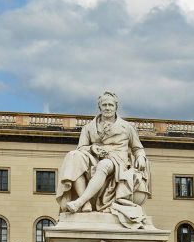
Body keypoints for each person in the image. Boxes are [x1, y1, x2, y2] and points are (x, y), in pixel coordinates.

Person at [56, 92, 150, 229]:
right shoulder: (88, 127)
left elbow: (138, 148)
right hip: (94, 157)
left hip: (117, 160)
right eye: (104, 105)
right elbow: (81, 147)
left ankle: (80, 201)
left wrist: (141, 157)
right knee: (73, 156)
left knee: (104, 165)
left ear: (116, 107)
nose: (107, 108)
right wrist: (93, 148)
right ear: (99, 107)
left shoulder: (127, 127)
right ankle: (86, 204)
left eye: (110, 105)